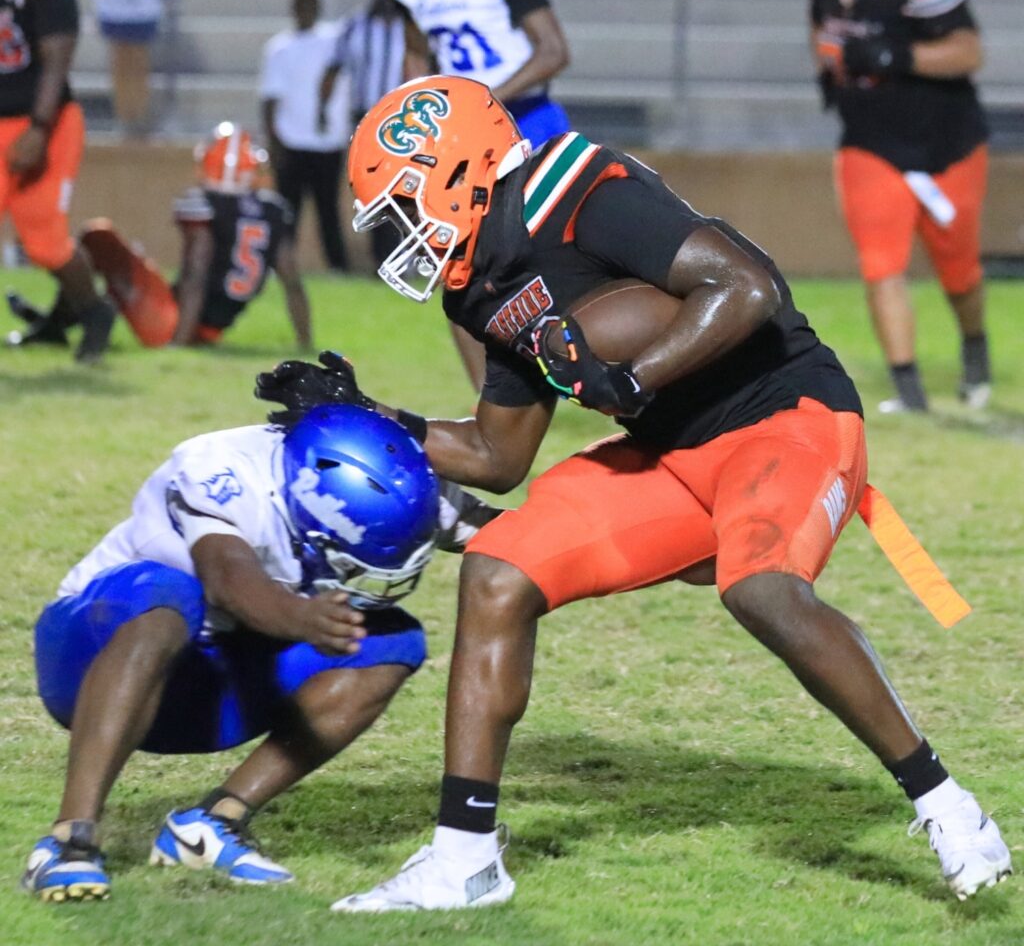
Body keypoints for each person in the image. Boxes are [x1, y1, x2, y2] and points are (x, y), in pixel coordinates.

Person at [257, 76, 1012, 910]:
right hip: (671, 453)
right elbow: (497, 452)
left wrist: (631, 378)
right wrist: (370, 416)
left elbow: (749, 286)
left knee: (761, 590)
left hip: (784, 416)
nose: (399, 232)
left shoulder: (576, 189)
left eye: (403, 204)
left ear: (456, 167)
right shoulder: (476, 285)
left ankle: (948, 806)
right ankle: (463, 858)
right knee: (499, 569)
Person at [21, 400, 499, 902]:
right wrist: (301, 618)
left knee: (390, 641)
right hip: (89, 662)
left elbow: (503, 534)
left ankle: (212, 825)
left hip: (212, 686)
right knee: (167, 597)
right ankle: (69, 841)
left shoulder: (398, 490)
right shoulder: (222, 468)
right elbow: (228, 580)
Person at [376, 0, 572, 390]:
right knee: (456, 267)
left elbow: (553, 51)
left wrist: (484, 100)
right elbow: (415, 52)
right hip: (466, 134)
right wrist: (420, 115)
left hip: (528, 121)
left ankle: (587, 372)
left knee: (562, 261)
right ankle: (492, 402)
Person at [808, 0, 991, 413]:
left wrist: (896, 54)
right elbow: (819, 31)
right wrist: (831, 64)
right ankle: (909, 391)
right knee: (880, 263)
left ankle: (975, 345)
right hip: (869, 142)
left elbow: (969, 52)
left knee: (959, 271)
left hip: (945, 145)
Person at [7, 122, 312, 350]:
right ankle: (53, 324)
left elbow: (195, 275)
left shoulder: (205, 205)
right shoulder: (272, 210)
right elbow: (293, 284)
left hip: (176, 323)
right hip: (211, 328)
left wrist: (177, 343)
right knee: (120, 269)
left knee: (97, 238)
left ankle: (55, 325)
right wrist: (305, 343)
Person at [0, 0, 115, 363]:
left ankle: (94, 312)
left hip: (44, 120)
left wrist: (39, 127)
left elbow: (56, 61)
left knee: (44, 242)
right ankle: (56, 324)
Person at [260, 0, 352, 275]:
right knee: (287, 211)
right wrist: (274, 142)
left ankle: (337, 265)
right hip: (292, 140)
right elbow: (270, 98)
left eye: (311, 6)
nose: (306, 12)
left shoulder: (333, 41)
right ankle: (280, 265)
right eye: (301, 6)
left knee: (328, 209)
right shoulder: (280, 48)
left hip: (328, 141)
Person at [319, 0, 406, 267]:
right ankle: (383, 258)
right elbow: (333, 68)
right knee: (372, 191)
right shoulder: (355, 25)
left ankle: (407, 257)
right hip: (366, 120)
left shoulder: (411, 28)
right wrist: (323, 109)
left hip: (405, 121)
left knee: (405, 189)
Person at [80, 0, 181, 136]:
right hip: (113, 4)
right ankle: (124, 114)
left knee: (140, 61)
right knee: (119, 60)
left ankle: (140, 115)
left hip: (145, 5)